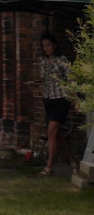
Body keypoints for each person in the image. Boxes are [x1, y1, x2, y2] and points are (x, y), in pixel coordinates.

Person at [38, 32, 80, 175]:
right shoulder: (43, 61)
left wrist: (75, 101)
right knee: (57, 134)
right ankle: (73, 160)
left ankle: (49, 167)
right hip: (49, 99)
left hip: (61, 99)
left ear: (55, 45)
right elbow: (44, 80)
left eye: (48, 45)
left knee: (51, 131)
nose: (46, 48)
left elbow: (71, 81)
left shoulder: (62, 60)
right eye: (44, 46)